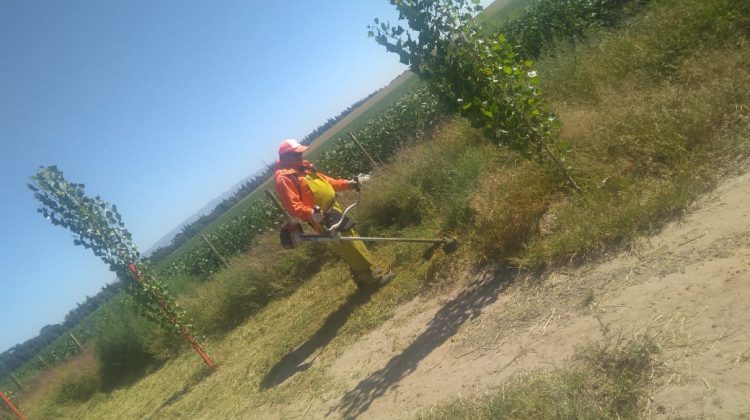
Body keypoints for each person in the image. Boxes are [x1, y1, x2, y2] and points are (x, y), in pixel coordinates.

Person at [274, 138, 391, 289]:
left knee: (351, 238)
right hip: (321, 217)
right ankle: (370, 279)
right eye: (297, 154)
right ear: (286, 156)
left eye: (300, 153)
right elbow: (293, 205)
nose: (300, 156)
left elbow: (329, 182)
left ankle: (361, 276)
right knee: (346, 244)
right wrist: (311, 214)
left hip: (334, 208)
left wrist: (349, 184)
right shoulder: (284, 178)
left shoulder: (304, 167)